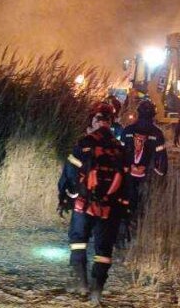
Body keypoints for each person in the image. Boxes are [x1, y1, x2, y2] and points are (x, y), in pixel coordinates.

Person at [58, 103, 129, 305]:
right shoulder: (120, 148)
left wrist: (66, 196)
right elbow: (127, 181)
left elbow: (69, 173)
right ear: (111, 122)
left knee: (78, 240)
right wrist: (125, 206)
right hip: (110, 207)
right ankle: (97, 291)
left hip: (84, 203)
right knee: (104, 250)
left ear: (94, 121)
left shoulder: (84, 143)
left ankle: (81, 283)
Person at [120, 99, 167, 221]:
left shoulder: (127, 130)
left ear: (138, 113)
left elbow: (119, 152)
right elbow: (161, 158)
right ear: (153, 114)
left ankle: (125, 220)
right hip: (147, 176)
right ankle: (138, 222)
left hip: (127, 174)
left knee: (126, 198)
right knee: (144, 201)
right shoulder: (158, 134)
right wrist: (161, 175)